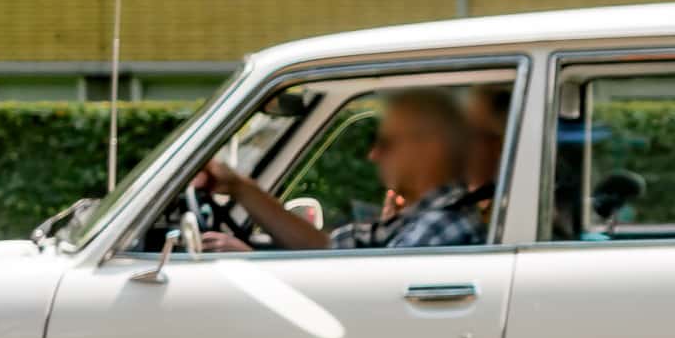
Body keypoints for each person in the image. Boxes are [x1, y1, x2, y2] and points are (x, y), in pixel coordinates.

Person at [196, 88, 487, 251]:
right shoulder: (418, 217)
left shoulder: (442, 224)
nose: (373, 155)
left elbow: (368, 299)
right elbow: (328, 248)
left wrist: (249, 263)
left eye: (385, 142)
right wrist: (241, 188)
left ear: (429, 148)